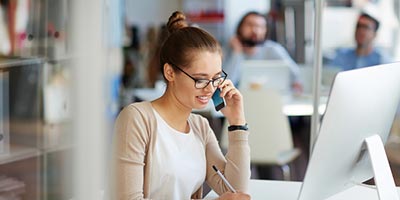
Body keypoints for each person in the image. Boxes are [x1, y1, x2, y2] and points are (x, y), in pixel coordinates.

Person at [112, 11, 251, 200]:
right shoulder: (137, 119)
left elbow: (235, 190)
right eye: (201, 79)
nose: (210, 89)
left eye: (216, 78)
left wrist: (237, 123)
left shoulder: (200, 127)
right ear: (170, 73)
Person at [223, 11, 303, 93]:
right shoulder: (229, 51)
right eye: (250, 25)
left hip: (270, 98)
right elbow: (226, 83)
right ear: (240, 28)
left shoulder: (274, 49)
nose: (255, 30)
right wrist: (237, 52)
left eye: (260, 27)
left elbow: (295, 76)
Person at [325, 12, 392, 71]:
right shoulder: (342, 56)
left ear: (375, 34)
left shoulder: (382, 62)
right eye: (358, 26)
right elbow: (328, 78)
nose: (360, 31)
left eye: (365, 27)